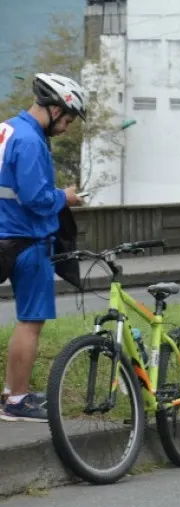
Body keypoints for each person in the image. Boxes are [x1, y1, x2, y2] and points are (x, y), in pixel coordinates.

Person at [0, 72, 88, 421]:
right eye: (67, 119)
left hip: (3, 234)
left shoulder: (7, 129)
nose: (66, 127)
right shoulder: (32, 142)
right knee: (30, 322)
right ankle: (16, 400)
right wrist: (64, 196)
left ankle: (12, 392)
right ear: (54, 109)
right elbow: (37, 200)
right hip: (27, 242)